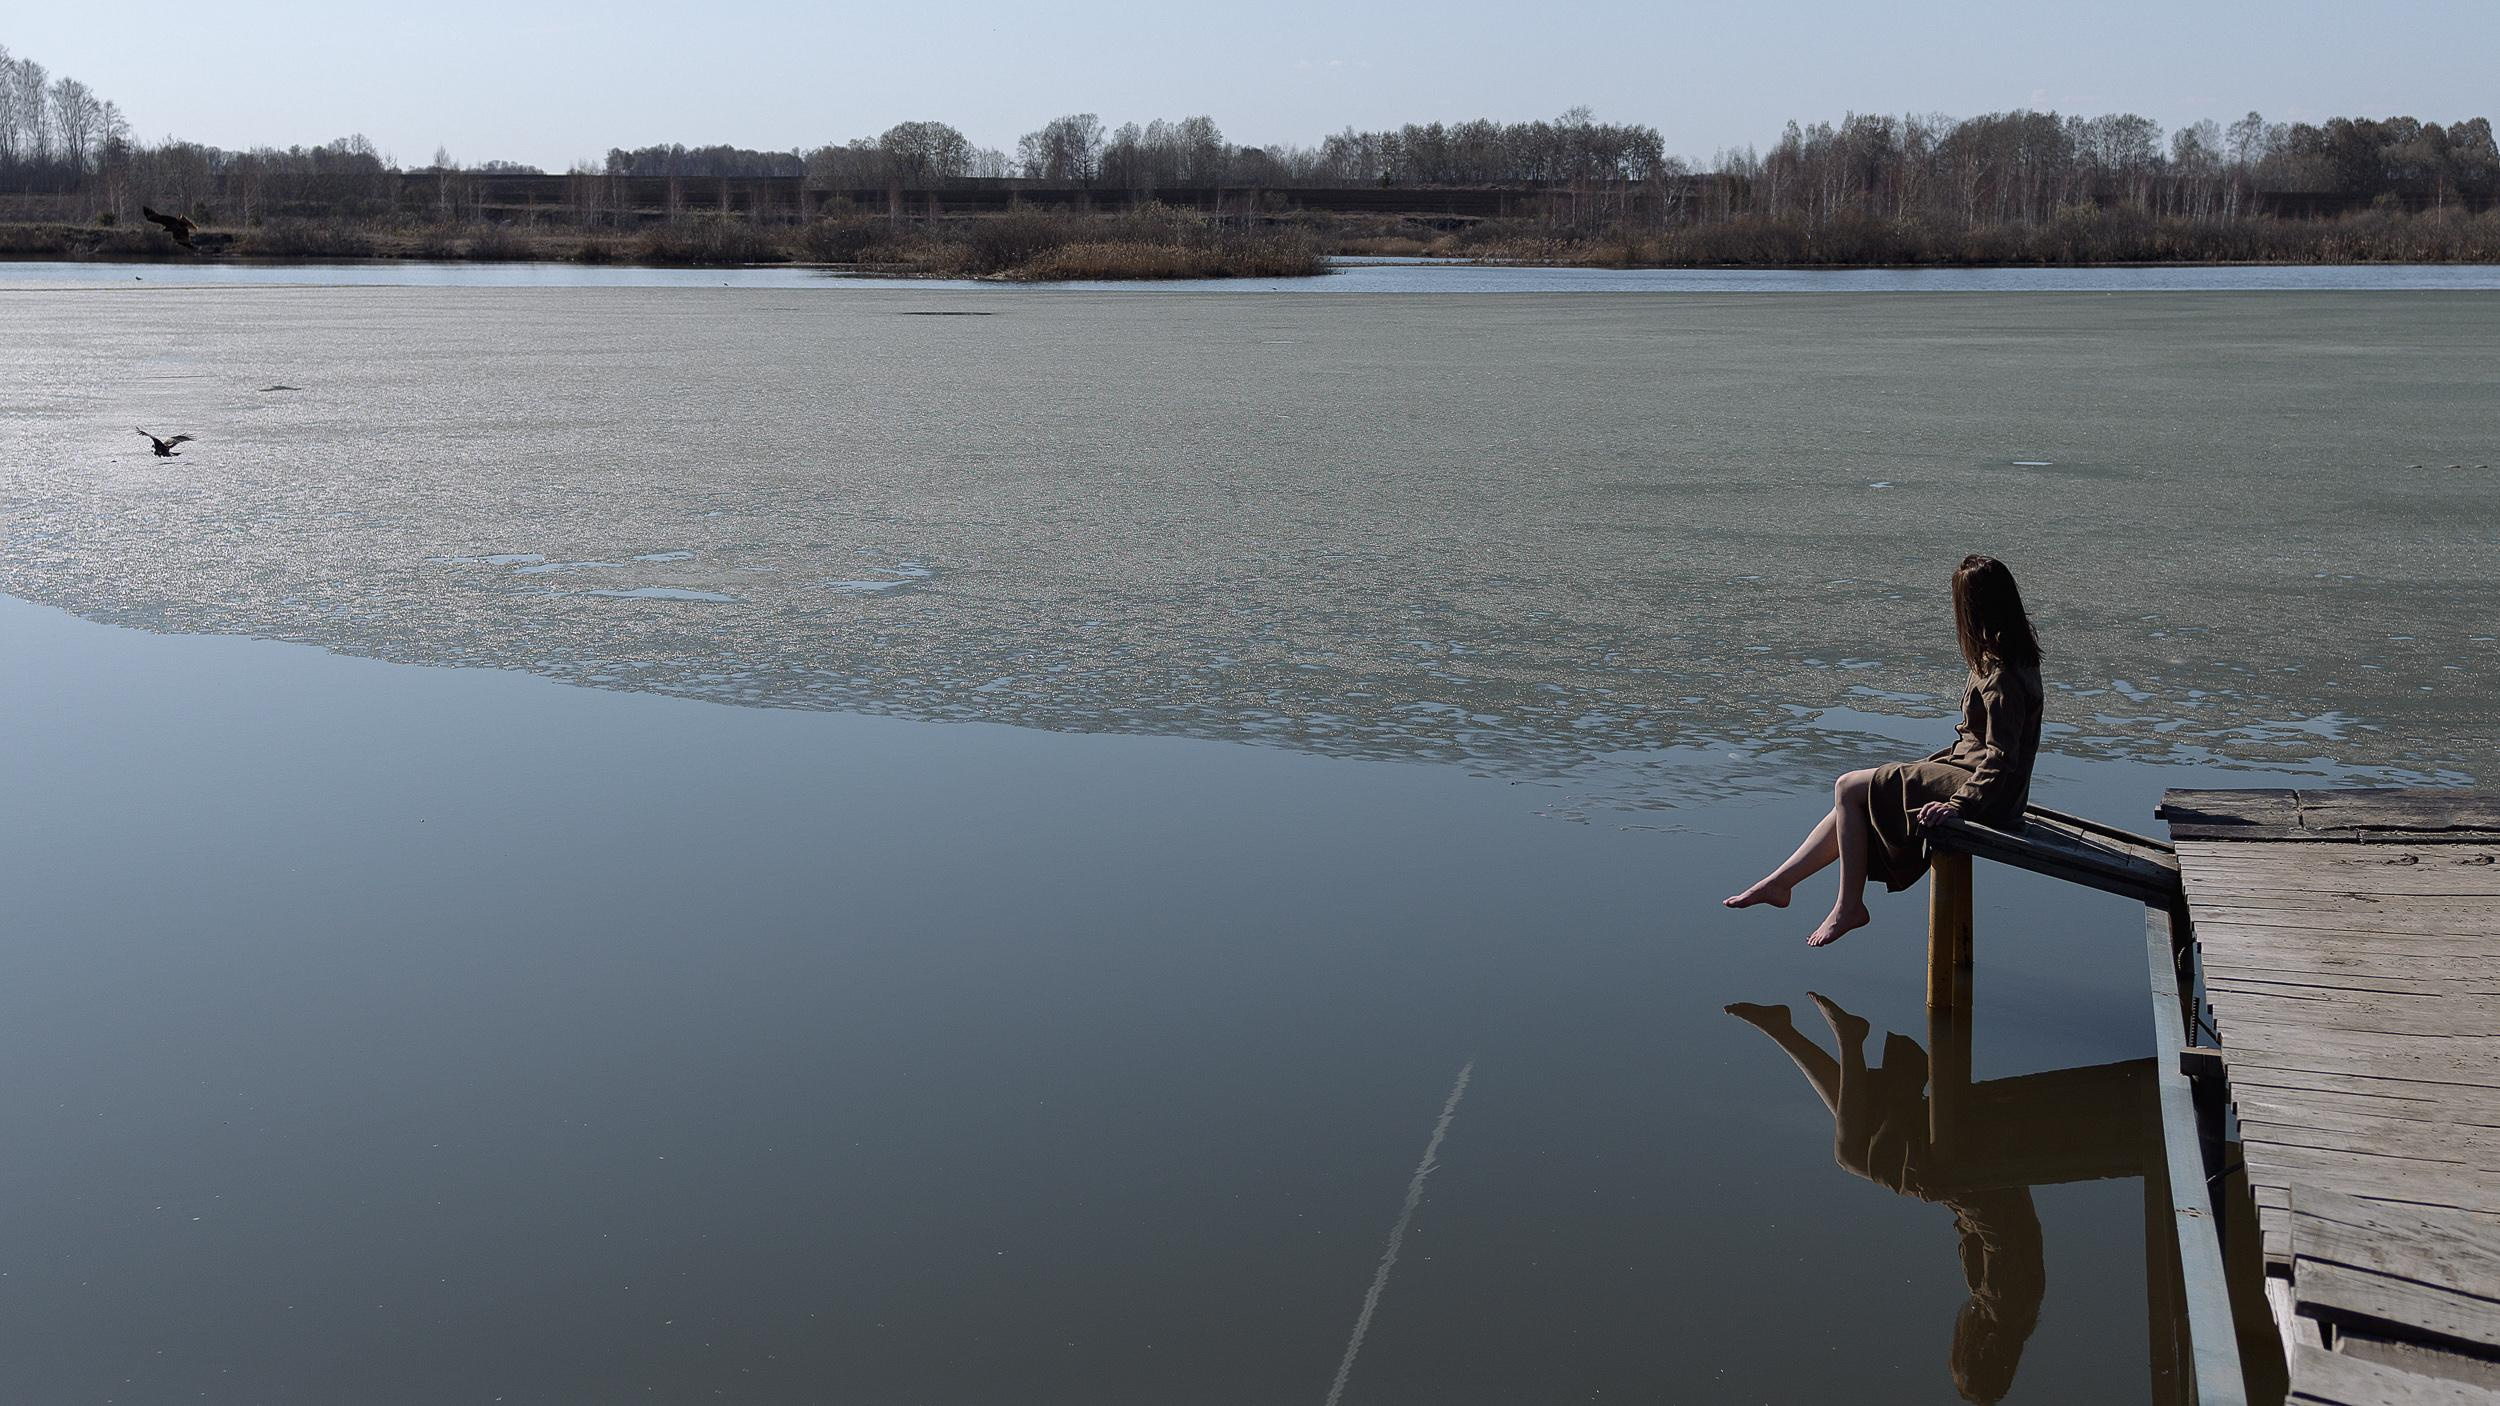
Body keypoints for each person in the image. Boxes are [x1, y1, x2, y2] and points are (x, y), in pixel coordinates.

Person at [1724, 555, 2044, 947]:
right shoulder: (2007, 655)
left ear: (1971, 608)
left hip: (1988, 793)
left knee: (1848, 787)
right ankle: (1780, 883)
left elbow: (2002, 757)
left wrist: (1959, 806)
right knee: (1854, 798)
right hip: (1975, 774)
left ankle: (1849, 906)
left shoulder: (2001, 674)